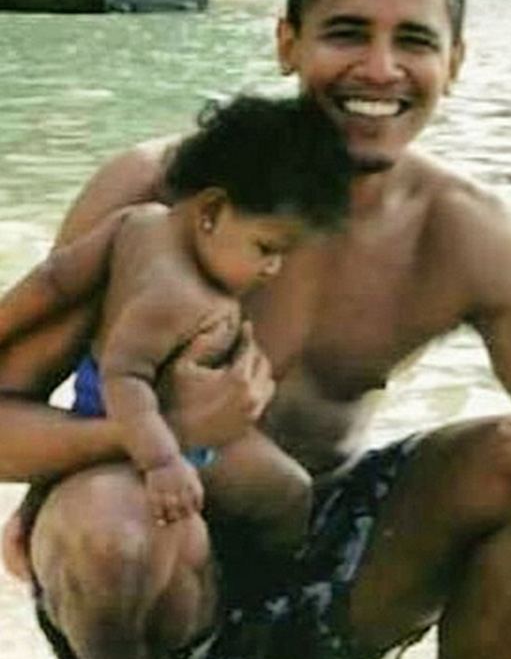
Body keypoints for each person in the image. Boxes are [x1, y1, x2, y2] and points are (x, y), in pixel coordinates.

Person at [0, 0, 511, 659]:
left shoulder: (469, 235)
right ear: (287, 42)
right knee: (104, 521)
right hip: (149, 543)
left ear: (453, 63)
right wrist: (159, 436)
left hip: (332, 558)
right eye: (347, 33)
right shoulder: (154, 197)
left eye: (414, 42)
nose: (380, 69)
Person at [0, 94, 354, 558]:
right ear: (210, 211)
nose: (273, 269)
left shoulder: (138, 222)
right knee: (287, 493)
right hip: (146, 430)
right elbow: (123, 375)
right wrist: (164, 460)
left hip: (140, 424)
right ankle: (273, 592)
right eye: (267, 248)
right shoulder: (174, 298)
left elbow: (55, 280)